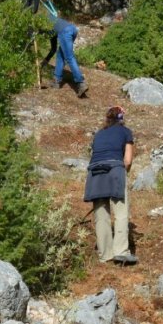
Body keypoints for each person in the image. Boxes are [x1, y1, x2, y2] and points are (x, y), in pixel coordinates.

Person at [84, 106, 136, 265]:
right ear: (121, 118)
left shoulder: (99, 134)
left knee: (101, 215)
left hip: (95, 174)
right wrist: (123, 173)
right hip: (114, 170)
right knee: (120, 212)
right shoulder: (126, 131)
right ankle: (121, 252)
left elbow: (95, 155)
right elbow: (127, 160)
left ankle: (105, 255)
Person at [48, 15, 88, 97]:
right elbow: (54, 48)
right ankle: (56, 80)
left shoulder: (45, 24)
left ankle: (81, 83)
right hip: (73, 29)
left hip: (65, 31)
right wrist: (46, 60)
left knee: (69, 57)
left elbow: (53, 47)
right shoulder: (50, 19)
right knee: (61, 55)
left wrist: (46, 60)